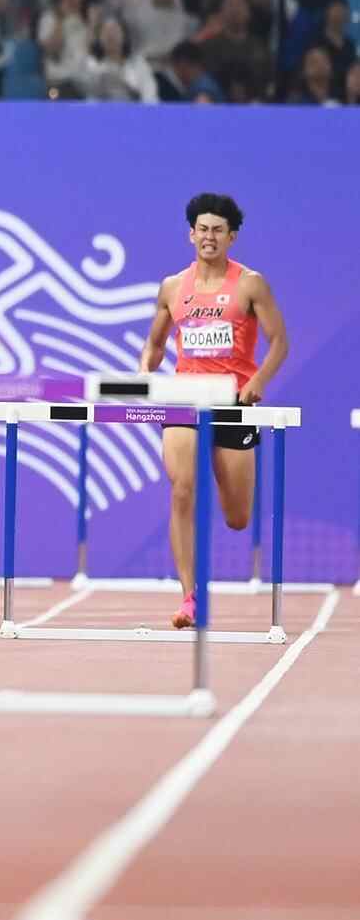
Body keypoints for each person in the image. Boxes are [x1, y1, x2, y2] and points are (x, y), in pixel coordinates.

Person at [137, 193, 289, 629]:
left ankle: (196, 589)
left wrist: (258, 381)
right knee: (182, 489)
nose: (209, 236)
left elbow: (280, 342)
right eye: (202, 229)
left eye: (218, 230)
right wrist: (145, 374)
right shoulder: (172, 287)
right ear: (191, 234)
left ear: (231, 237)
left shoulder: (250, 284)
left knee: (237, 517)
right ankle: (190, 597)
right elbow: (155, 344)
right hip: (185, 398)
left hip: (233, 402)